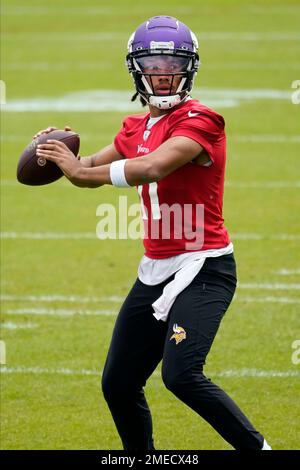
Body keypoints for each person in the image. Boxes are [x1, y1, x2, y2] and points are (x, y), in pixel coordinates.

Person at [35, 16, 271, 450]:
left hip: (204, 267)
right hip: (155, 270)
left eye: (172, 63)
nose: (163, 73)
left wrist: (81, 174)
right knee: (118, 383)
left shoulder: (203, 120)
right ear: (137, 69)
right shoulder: (134, 127)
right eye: (153, 63)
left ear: (189, 68)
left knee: (181, 376)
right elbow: (84, 165)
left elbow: (153, 167)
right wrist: (55, 151)